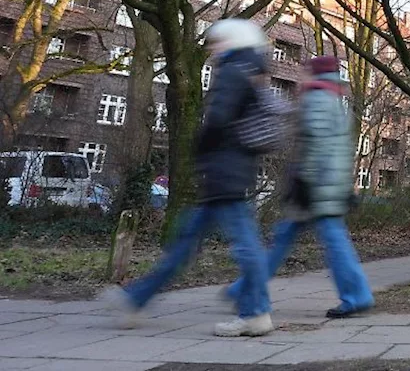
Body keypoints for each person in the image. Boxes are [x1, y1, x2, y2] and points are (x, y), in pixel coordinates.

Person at [105, 18, 274, 337]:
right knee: (186, 244)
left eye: (218, 42)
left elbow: (219, 119)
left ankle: (255, 312)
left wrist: (199, 150)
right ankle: (136, 299)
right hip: (232, 171)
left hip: (225, 172)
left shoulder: (235, 70)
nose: (213, 49)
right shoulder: (253, 72)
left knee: (245, 247)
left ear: (234, 41)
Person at [224, 55, 374, 318]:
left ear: (315, 76)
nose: (302, 76)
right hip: (329, 185)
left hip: (314, 187)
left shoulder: (316, 101)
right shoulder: (336, 104)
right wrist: (345, 186)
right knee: (313, 239)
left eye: (306, 72)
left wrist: (304, 180)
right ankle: (244, 289)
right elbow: (338, 149)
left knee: (291, 241)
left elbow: (315, 144)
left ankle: (356, 295)